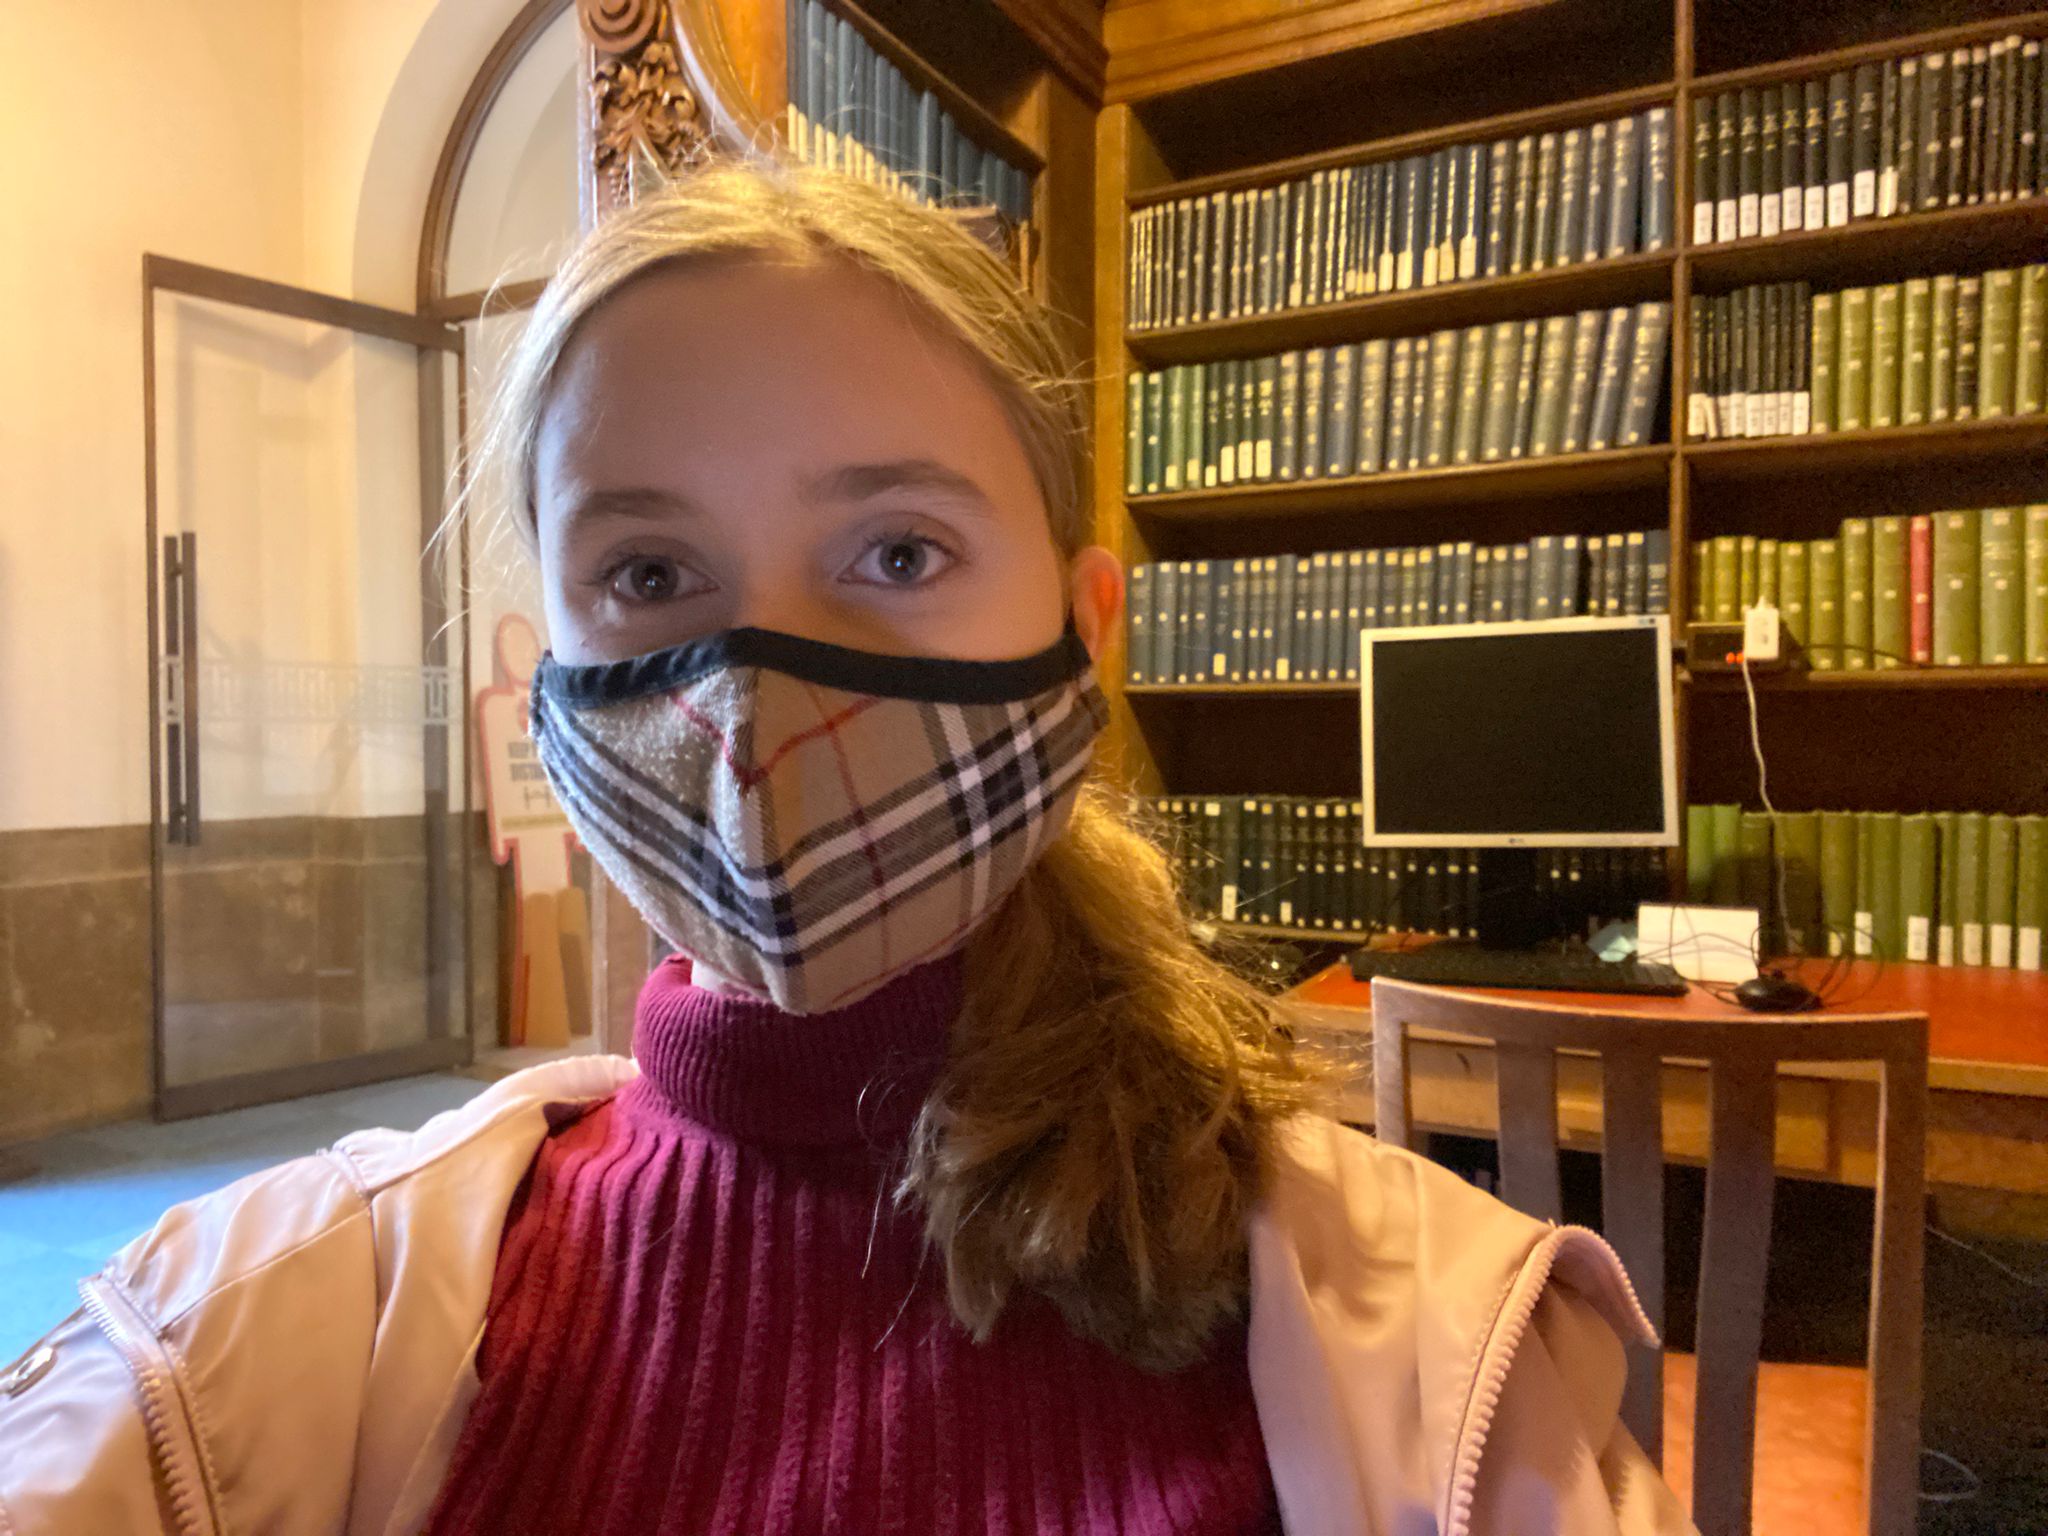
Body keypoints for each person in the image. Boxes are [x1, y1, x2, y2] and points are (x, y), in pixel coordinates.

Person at [0, 155, 1691, 1536]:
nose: (759, 702)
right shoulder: (247, 1346)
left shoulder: (1447, 1347)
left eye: (895, 550)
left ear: (1087, 630)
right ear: (545, 684)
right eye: (652, 576)